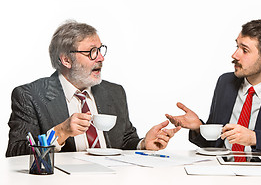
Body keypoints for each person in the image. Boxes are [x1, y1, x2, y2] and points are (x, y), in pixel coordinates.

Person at [6, 20, 180, 157]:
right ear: (66, 60)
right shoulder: (30, 95)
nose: (101, 58)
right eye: (92, 52)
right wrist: (60, 132)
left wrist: (142, 144)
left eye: (100, 50)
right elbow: (16, 152)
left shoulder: (114, 92)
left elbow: (124, 140)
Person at [166, 19, 261, 156]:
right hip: (221, 170)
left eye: (244, 50)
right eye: (237, 46)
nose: (235, 55)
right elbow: (215, 145)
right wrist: (199, 128)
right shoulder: (225, 83)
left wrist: (255, 138)